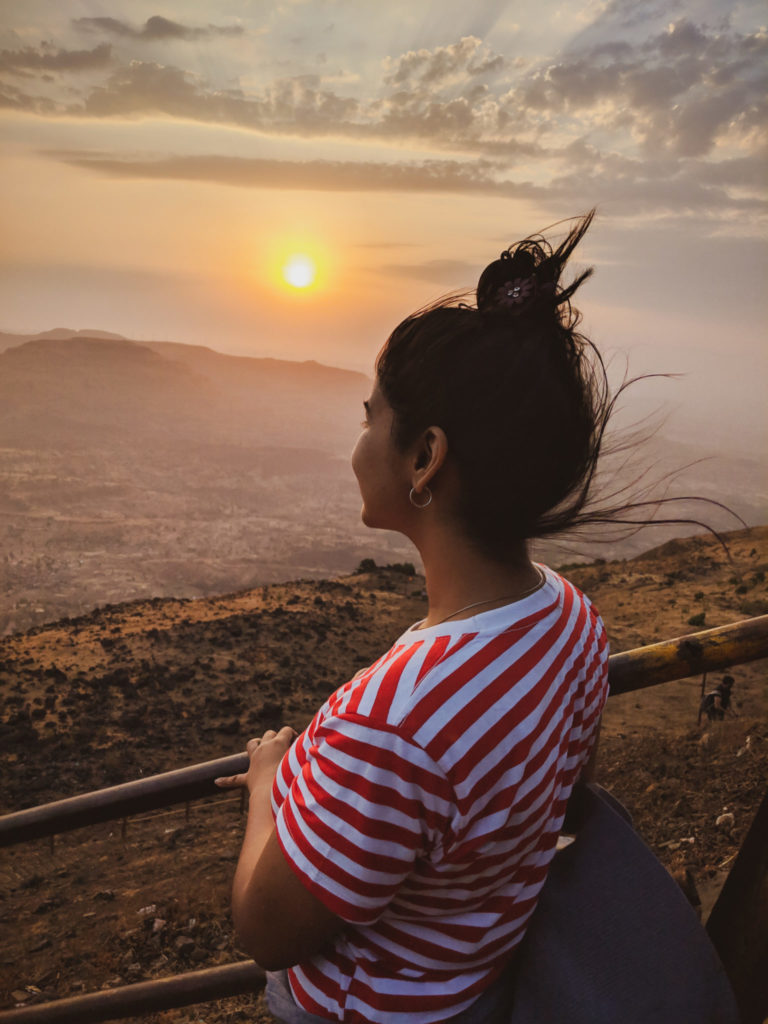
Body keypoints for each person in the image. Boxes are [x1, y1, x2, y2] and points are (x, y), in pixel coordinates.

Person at [215, 211, 616, 1023]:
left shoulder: (396, 720)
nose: (358, 442)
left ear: (426, 457)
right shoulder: (571, 620)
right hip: (478, 987)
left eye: (370, 417)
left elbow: (266, 933)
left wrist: (266, 784)